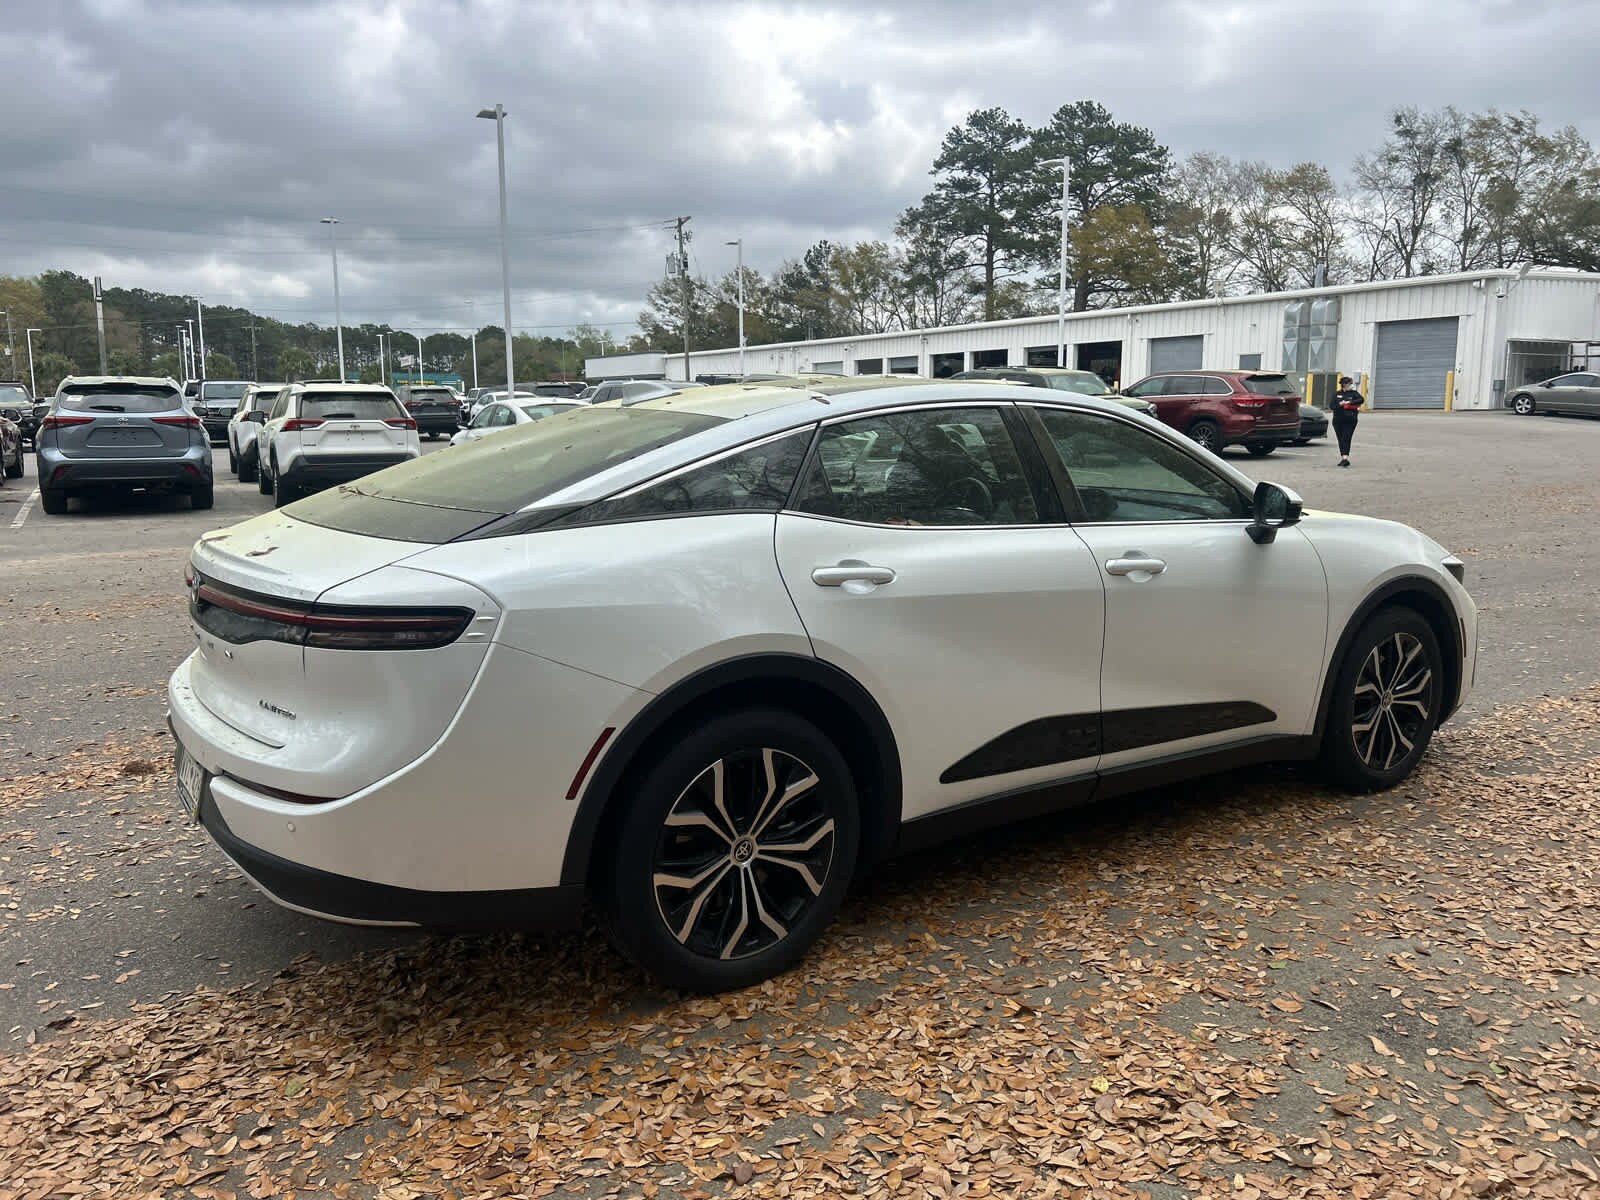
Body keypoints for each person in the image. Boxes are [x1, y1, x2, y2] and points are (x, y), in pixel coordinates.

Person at [1331, 374, 1364, 467]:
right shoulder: (1336, 394)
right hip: (1338, 420)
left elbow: (1361, 400)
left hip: (1350, 419)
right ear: (1344, 384)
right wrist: (1340, 404)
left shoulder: (1354, 393)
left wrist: (1350, 402)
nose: (1351, 385)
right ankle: (1343, 458)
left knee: (1346, 437)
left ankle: (1345, 458)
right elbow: (1332, 406)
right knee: (1340, 439)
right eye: (1349, 383)